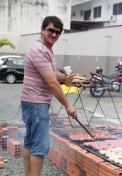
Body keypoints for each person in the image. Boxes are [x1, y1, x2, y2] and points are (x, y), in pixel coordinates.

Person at [20, 16, 77, 176]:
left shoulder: (47, 50)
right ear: (42, 30)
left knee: (30, 142)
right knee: (40, 146)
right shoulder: (38, 50)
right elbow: (52, 83)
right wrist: (68, 105)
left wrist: (65, 78)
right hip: (36, 103)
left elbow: (52, 74)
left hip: (31, 102)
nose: (53, 35)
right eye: (50, 30)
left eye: (57, 32)